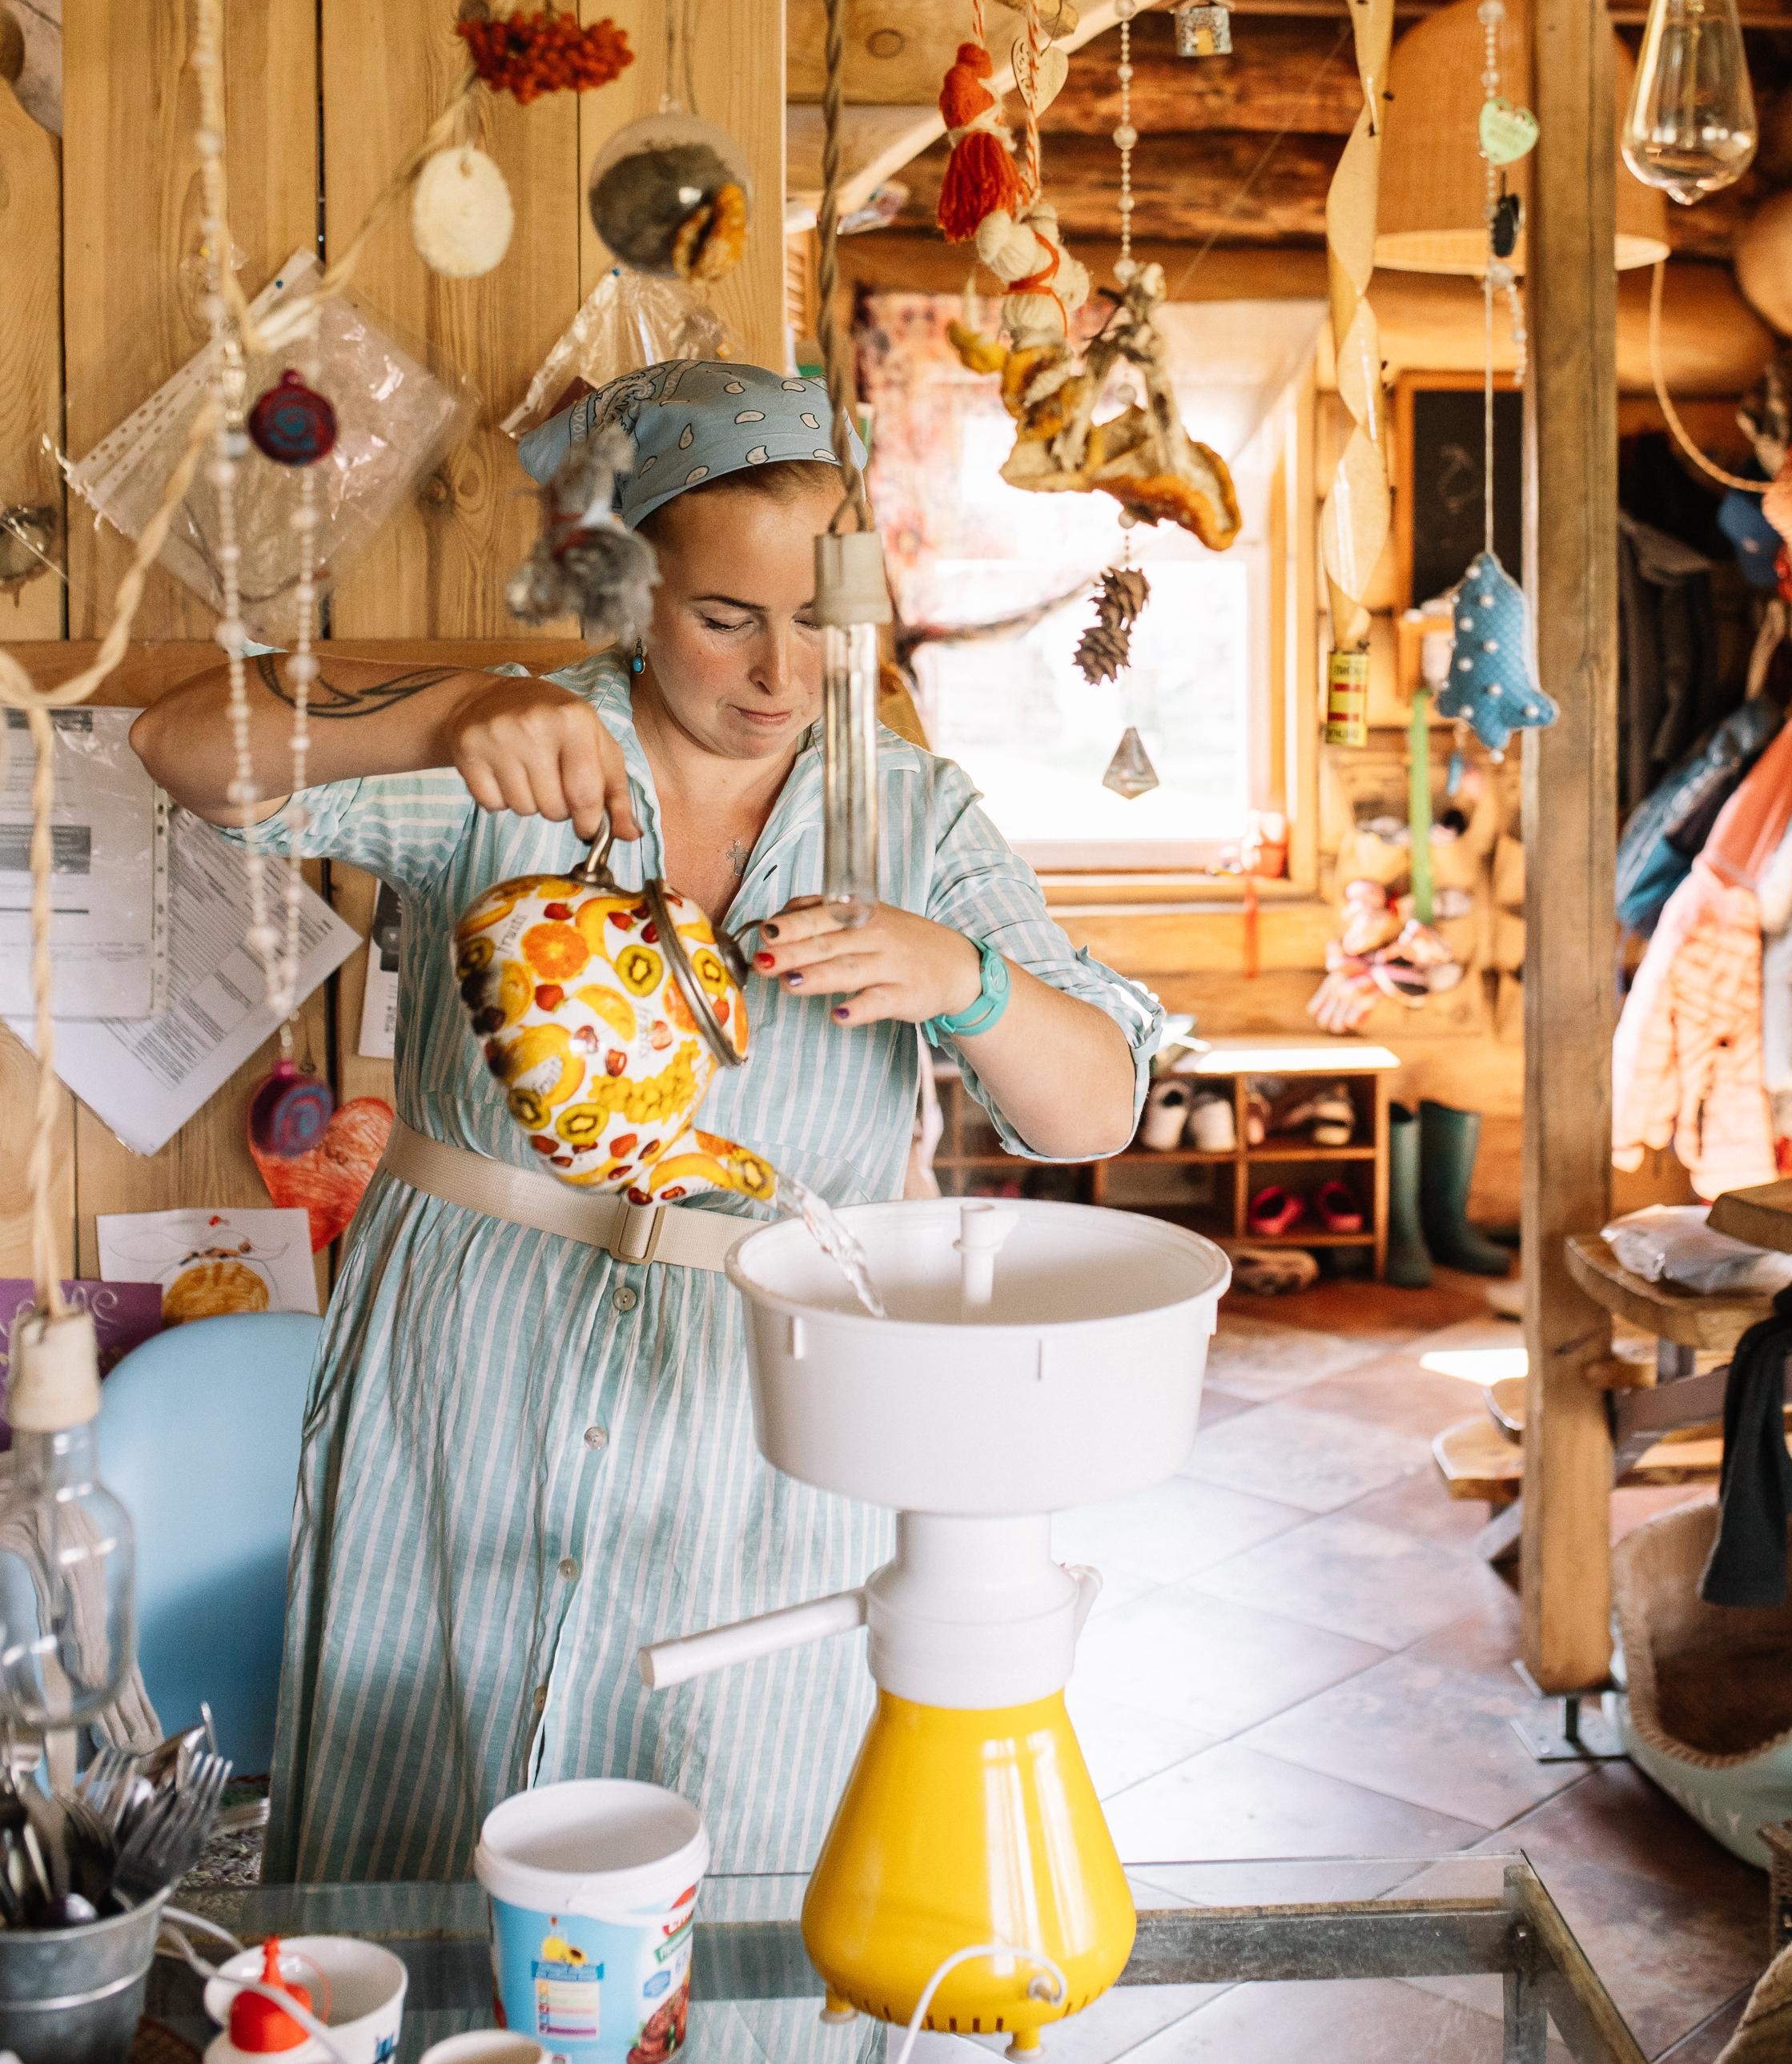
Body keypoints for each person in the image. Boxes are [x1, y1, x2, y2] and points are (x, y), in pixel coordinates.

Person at [131, 360, 1157, 1884]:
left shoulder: (913, 818)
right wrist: (444, 712)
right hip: (465, 1372)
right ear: (630, 598)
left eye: (818, 620)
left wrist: (968, 980)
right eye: (725, 618)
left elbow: (1102, 1103)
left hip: (768, 1410)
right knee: (429, 1805)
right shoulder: (515, 762)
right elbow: (179, 752)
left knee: (737, 1825)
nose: (779, 676)